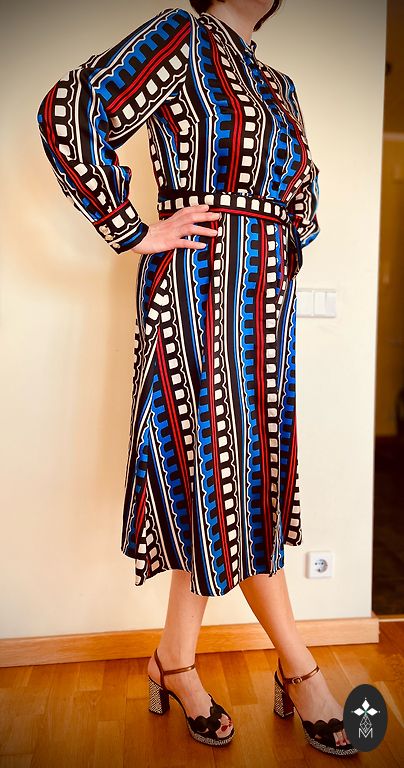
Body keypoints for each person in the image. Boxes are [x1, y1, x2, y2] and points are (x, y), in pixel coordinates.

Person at [36, 0, 357, 756]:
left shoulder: (279, 84)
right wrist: (133, 229)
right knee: (214, 480)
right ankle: (299, 667)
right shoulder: (181, 36)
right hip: (197, 296)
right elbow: (67, 112)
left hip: (262, 310)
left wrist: (275, 250)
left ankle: (173, 661)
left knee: (240, 485)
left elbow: (303, 201)